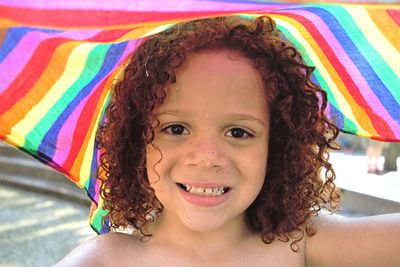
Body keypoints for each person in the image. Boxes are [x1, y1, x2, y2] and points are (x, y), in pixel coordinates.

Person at [55, 16, 400, 267]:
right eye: (176, 128)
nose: (207, 157)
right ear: (137, 143)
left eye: (238, 132)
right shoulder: (104, 260)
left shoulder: (301, 243)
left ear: (277, 148)